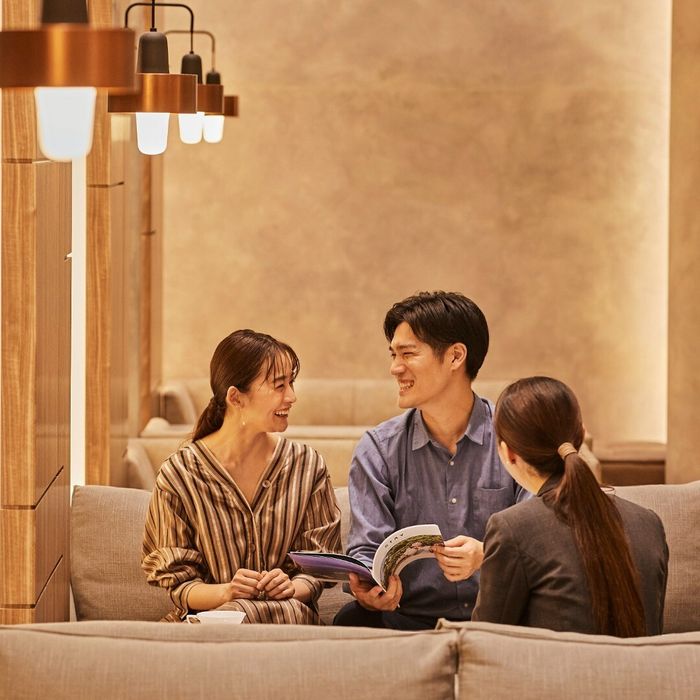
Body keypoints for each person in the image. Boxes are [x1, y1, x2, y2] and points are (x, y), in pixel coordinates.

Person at [334, 291, 525, 630]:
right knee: (350, 619)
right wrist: (368, 587)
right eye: (393, 354)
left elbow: (543, 542)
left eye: (408, 354)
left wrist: (488, 555)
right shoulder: (378, 448)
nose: (395, 368)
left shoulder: (516, 438)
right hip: (407, 618)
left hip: (501, 619)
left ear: (455, 356)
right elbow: (367, 549)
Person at [142, 329, 341, 623]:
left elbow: (318, 569)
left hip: (289, 624)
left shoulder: (308, 467)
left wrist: (292, 586)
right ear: (236, 397)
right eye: (279, 385)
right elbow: (180, 585)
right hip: (211, 627)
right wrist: (227, 592)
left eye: (291, 383)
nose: (292, 396)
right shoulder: (179, 475)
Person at [472, 376, 668, 636]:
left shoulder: (511, 529)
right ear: (580, 435)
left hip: (550, 665)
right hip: (642, 665)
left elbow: (484, 641)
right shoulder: (649, 523)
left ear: (507, 453)